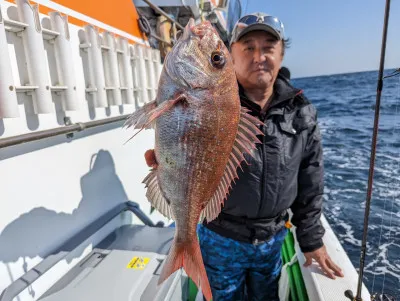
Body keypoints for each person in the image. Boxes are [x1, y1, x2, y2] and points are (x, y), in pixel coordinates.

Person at [198, 12, 344, 301]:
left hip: (273, 238)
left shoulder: (301, 110)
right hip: (220, 236)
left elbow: (310, 180)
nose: (259, 56)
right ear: (231, 54)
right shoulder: (210, 105)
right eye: (248, 47)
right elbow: (186, 146)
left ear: (282, 53)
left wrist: (311, 239)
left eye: (268, 47)